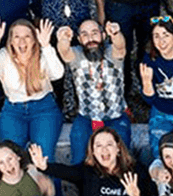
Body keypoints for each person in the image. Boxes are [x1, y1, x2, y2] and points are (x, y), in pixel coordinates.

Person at [0, 16, 64, 155]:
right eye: (17, 36)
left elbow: (58, 73)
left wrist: (46, 46)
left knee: (43, 156)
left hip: (44, 109)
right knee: (12, 155)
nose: (22, 41)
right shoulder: (4, 56)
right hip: (13, 111)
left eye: (27, 36)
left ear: (34, 40)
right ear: (11, 41)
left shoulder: (42, 56)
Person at [56, 19, 131, 165]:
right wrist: (63, 39)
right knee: (78, 159)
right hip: (86, 117)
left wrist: (116, 33)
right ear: (79, 39)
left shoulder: (112, 52)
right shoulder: (77, 54)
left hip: (115, 116)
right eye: (84, 34)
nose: (90, 39)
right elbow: (64, 51)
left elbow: (121, 45)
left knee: (122, 160)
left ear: (103, 35)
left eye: (94, 33)